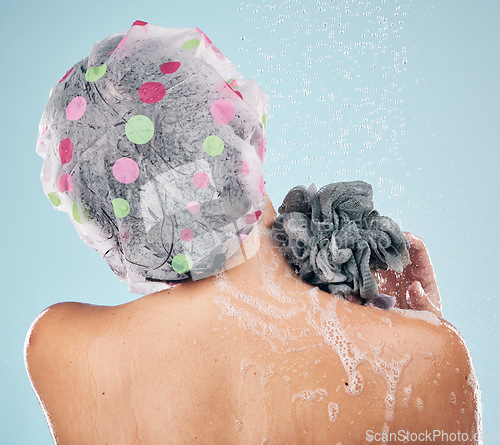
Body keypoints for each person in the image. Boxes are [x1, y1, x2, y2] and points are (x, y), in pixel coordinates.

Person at [25, 22, 481, 444]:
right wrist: (423, 331)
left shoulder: (59, 349)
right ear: (241, 128)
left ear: (102, 218)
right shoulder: (423, 361)